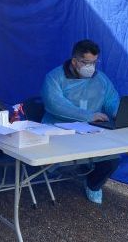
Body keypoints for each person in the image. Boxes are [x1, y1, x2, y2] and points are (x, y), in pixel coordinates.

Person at [41, 39, 120, 204]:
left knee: (112, 158)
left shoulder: (101, 79)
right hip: (60, 130)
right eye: (86, 62)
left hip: (92, 130)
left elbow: (111, 100)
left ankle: (93, 185)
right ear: (74, 61)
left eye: (94, 62)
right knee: (71, 159)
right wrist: (88, 116)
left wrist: (118, 113)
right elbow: (55, 105)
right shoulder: (54, 78)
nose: (90, 67)